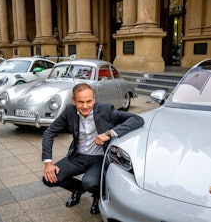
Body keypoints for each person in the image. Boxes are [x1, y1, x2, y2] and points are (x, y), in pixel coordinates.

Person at [41, 83, 144, 214]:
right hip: (77, 157)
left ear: (94, 99)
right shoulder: (69, 111)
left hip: (98, 159)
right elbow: (49, 133)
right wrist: (48, 163)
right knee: (49, 178)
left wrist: (109, 133)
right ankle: (77, 189)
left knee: (90, 183)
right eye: (80, 102)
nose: (85, 106)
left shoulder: (106, 110)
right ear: (73, 101)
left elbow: (137, 119)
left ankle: (96, 198)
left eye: (89, 101)